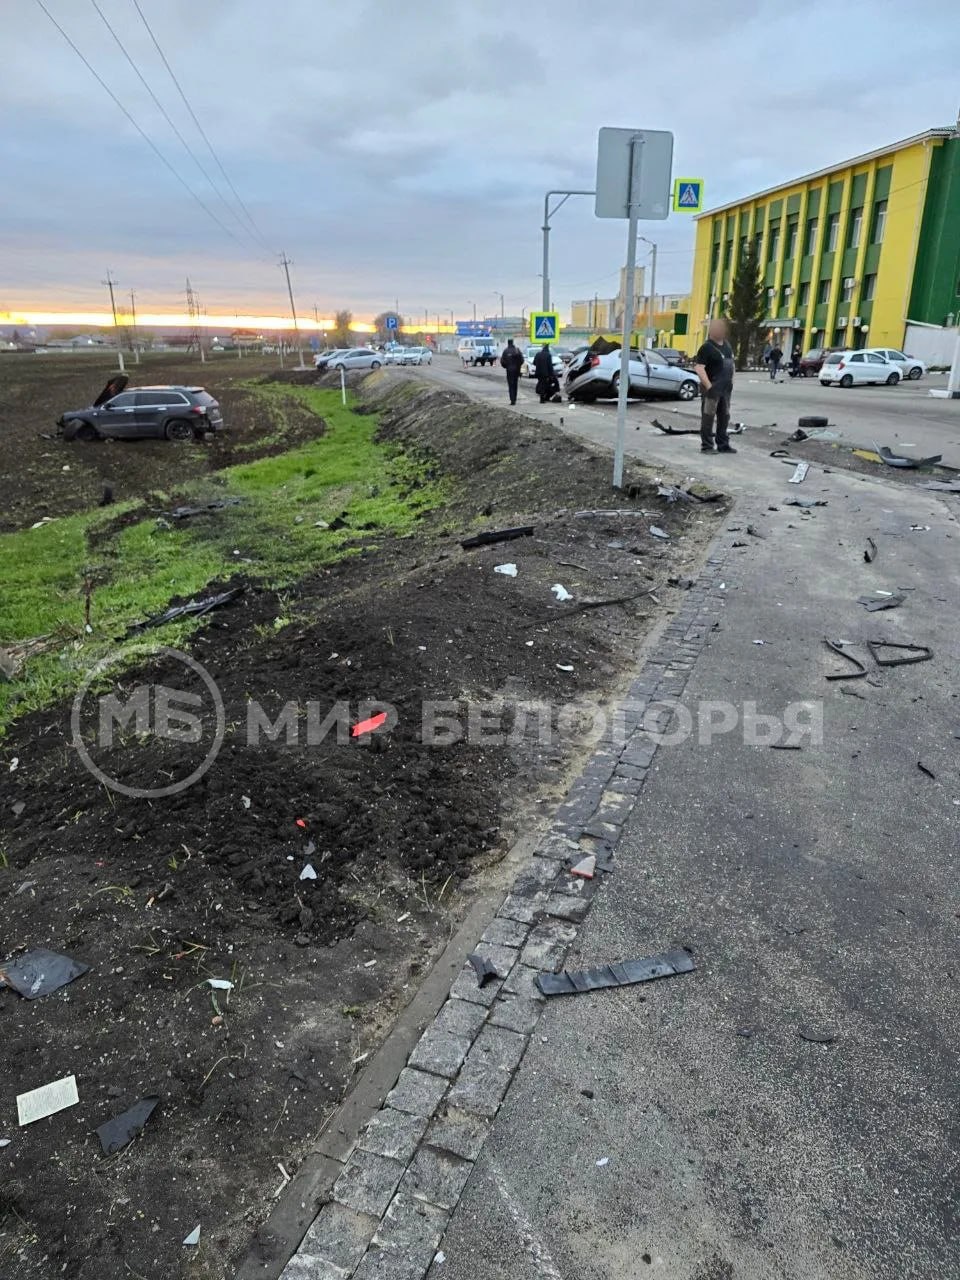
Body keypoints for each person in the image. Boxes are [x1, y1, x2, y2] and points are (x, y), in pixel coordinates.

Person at [693, 318, 736, 454]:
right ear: (711, 330)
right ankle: (707, 446)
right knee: (708, 418)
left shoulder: (727, 346)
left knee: (724, 417)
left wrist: (732, 381)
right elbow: (699, 368)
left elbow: (732, 365)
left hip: (725, 389)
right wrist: (709, 386)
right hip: (711, 389)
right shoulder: (706, 348)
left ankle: (723, 444)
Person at [500, 338, 523, 405]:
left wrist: (506, 366)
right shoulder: (517, 350)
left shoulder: (505, 351)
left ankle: (512, 399)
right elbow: (522, 360)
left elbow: (502, 361)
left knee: (510, 385)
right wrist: (518, 366)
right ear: (512, 343)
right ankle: (514, 399)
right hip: (516, 370)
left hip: (509, 370)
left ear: (508, 343)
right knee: (515, 385)